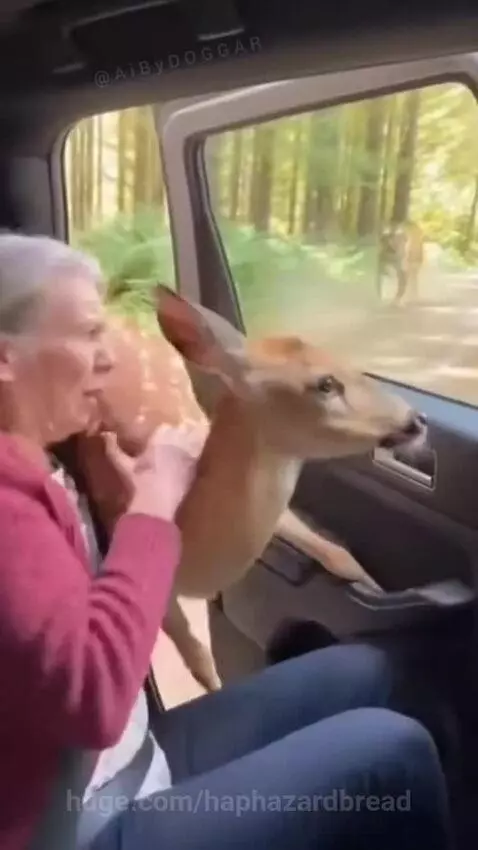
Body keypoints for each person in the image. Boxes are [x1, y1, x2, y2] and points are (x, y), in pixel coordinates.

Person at [0, 232, 451, 850]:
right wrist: (155, 504)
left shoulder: (45, 465)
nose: (109, 359)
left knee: (371, 668)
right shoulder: (7, 510)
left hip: (124, 763)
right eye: (86, 334)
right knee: (392, 746)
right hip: (79, 821)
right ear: (4, 358)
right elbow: (94, 700)